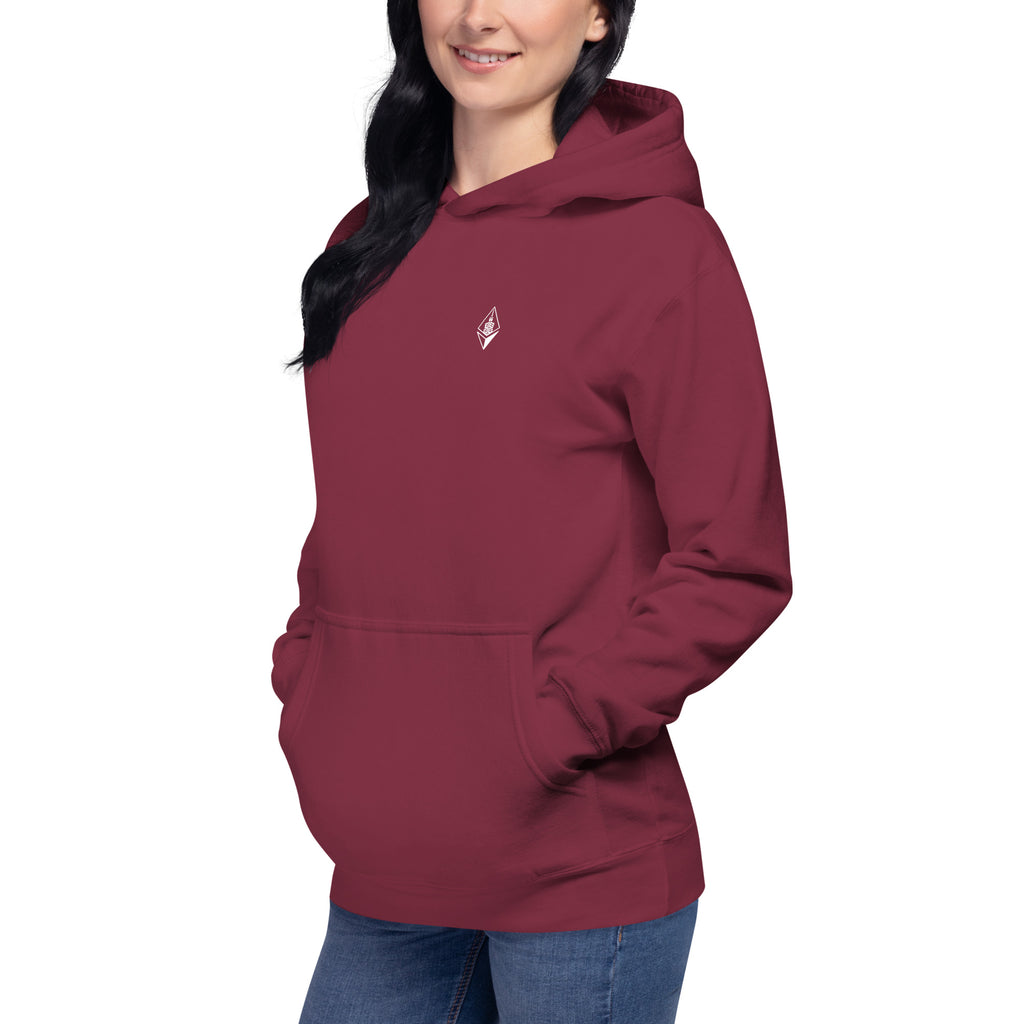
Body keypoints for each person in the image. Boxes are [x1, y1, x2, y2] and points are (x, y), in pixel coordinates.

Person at [270, 1, 792, 1020]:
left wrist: (552, 727)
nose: (480, 15)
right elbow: (363, 514)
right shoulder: (366, 243)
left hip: (579, 869)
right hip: (385, 863)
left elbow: (735, 558)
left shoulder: (658, 249)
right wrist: (316, 684)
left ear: (598, 14)